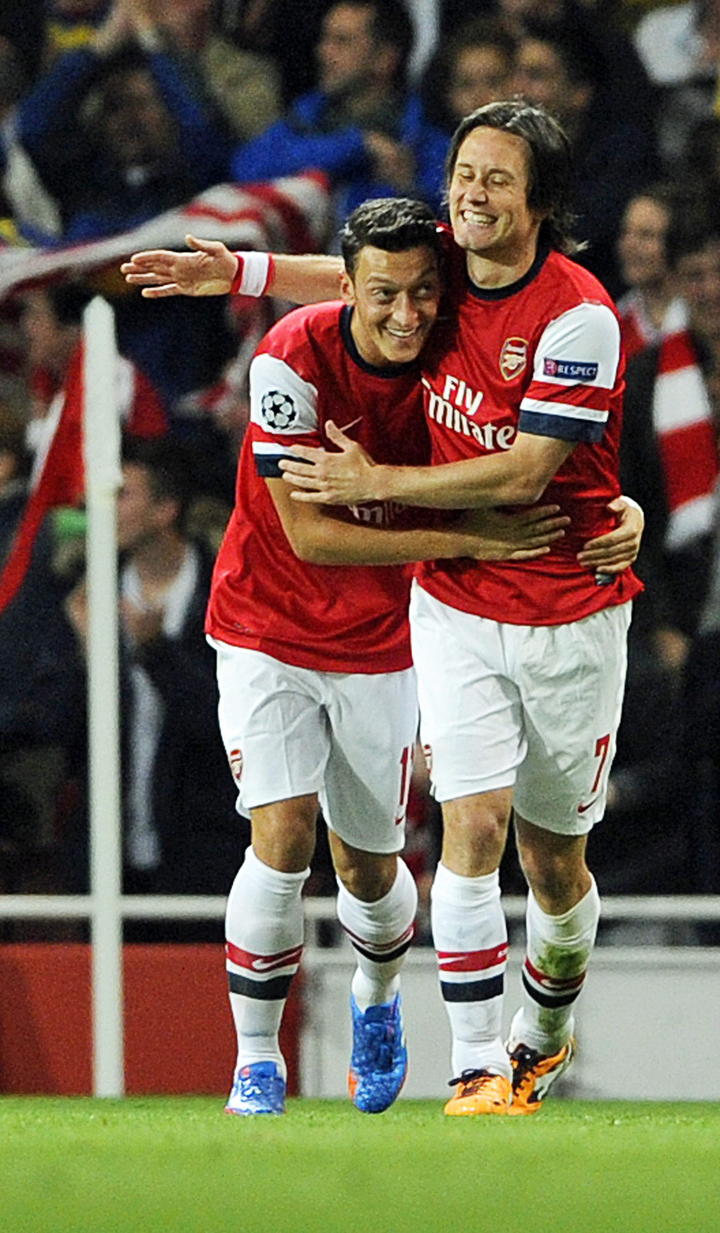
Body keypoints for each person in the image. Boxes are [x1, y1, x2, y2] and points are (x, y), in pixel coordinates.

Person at [121, 114, 645, 1119]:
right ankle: (454, 1066)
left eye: (498, 179)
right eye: (464, 172)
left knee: (538, 862)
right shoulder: (320, 339)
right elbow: (358, 278)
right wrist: (237, 274)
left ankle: (515, 1022)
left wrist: (614, 510)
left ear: (542, 201)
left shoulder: (573, 315)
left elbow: (532, 471)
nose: (472, 193)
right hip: (395, 608)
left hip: (530, 612)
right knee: (432, 828)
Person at [201, 198, 578, 1118]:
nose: (405, 314)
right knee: (281, 835)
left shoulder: (458, 360)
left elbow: (542, 460)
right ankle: (257, 1062)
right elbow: (312, 535)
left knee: (369, 868)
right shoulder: (290, 360)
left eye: (421, 293)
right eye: (383, 295)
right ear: (347, 289)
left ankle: (375, 998)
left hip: (383, 641)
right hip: (266, 623)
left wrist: (624, 512)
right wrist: (468, 540)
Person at [229, 0, 449, 233]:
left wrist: (410, 190)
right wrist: (358, 145)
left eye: (341, 41)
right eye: (325, 38)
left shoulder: (426, 142)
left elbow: (450, 219)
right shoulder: (306, 118)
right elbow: (246, 168)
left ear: (384, 59)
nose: (323, 51)